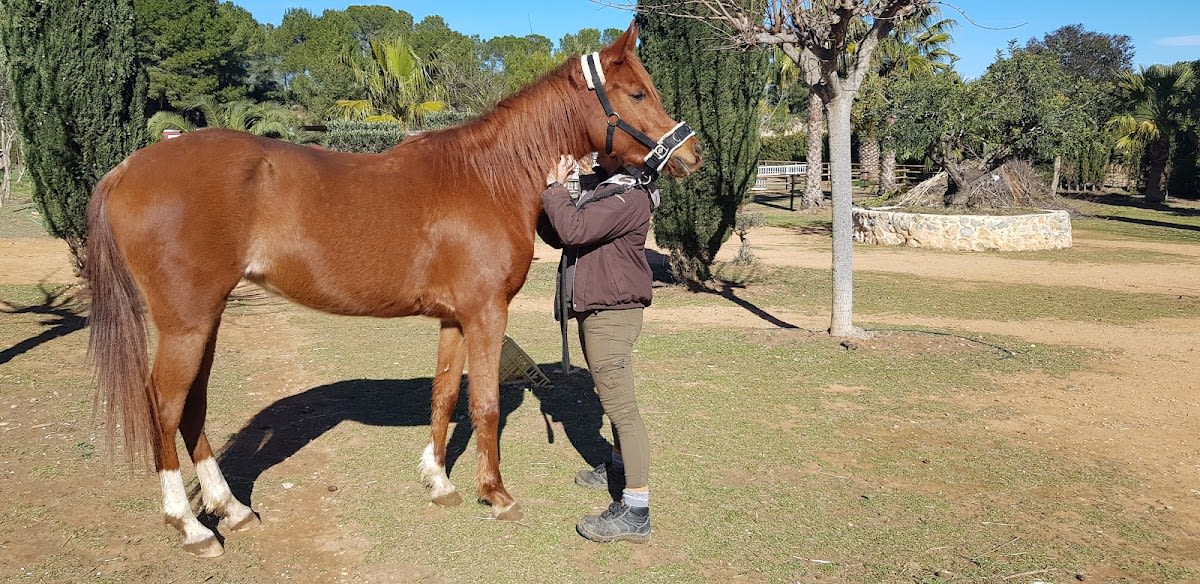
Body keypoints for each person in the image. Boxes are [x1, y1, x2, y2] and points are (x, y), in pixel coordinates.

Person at [537, 152, 658, 544]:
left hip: (611, 315)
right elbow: (560, 233)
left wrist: (556, 187)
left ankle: (636, 511)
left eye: (603, 149)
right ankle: (619, 467)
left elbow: (574, 230)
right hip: (597, 311)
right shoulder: (607, 192)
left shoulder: (630, 197)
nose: (593, 153)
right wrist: (548, 193)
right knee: (613, 404)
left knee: (622, 410)